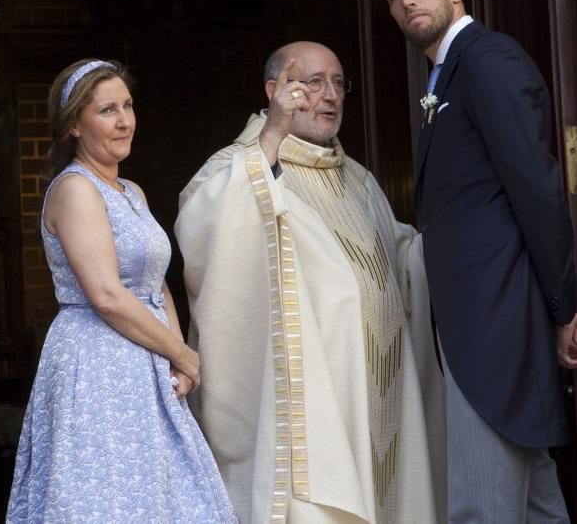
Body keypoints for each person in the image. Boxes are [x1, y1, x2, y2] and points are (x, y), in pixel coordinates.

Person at [176, 42, 445, 523]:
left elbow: (402, 258)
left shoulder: (357, 180)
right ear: (274, 90)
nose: (330, 95)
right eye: (313, 82)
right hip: (315, 407)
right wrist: (274, 135)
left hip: (377, 390)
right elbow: (205, 231)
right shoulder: (238, 168)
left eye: (338, 83)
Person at [373, 0, 577, 522]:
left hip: (494, 322)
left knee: (481, 508)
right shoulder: (445, 76)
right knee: (538, 503)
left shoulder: (488, 60)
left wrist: (559, 306)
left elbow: (537, 190)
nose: (407, 2)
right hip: (478, 321)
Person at [7, 59, 237, 522]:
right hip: (96, 361)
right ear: (74, 123)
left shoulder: (132, 190)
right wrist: (184, 352)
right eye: (107, 110)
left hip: (147, 356)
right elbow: (107, 295)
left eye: (128, 106)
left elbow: (155, 282)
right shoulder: (75, 189)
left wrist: (176, 356)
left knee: (164, 495)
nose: (124, 120)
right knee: (106, 495)